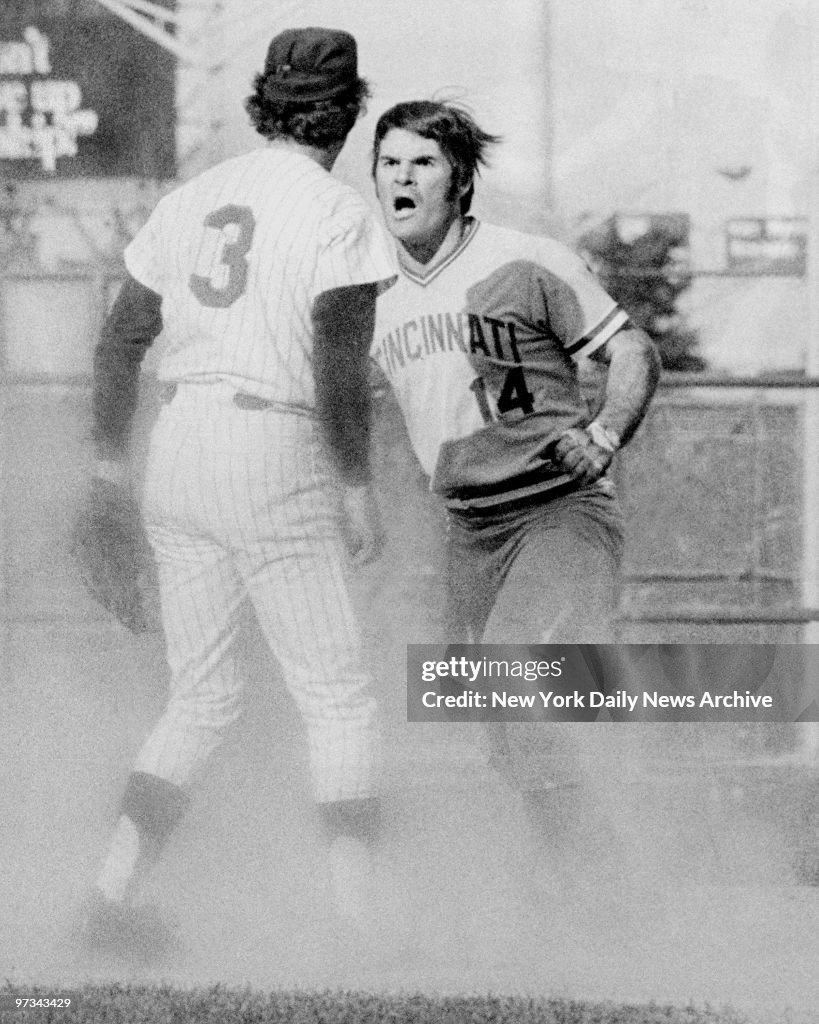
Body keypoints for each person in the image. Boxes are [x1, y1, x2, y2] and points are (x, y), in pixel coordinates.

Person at [78, 27, 397, 958]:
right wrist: (355, 482)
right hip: (275, 443)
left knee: (200, 697)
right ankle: (357, 925)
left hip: (178, 446)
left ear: (264, 103)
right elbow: (339, 367)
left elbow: (117, 342)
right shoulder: (337, 212)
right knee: (337, 696)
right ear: (344, 113)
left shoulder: (194, 197)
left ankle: (109, 899)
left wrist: (105, 468)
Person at [369, 100, 661, 884]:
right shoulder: (365, 286)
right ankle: (578, 878)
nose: (401, 176)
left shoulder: (526, 259)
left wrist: (603, 433)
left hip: (556, 513)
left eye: (422, 162)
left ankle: (604, 891)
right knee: (498, 728)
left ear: (460, 181)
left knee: (511, 669)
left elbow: (633, 350)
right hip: (468, 533)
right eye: (388, 161)